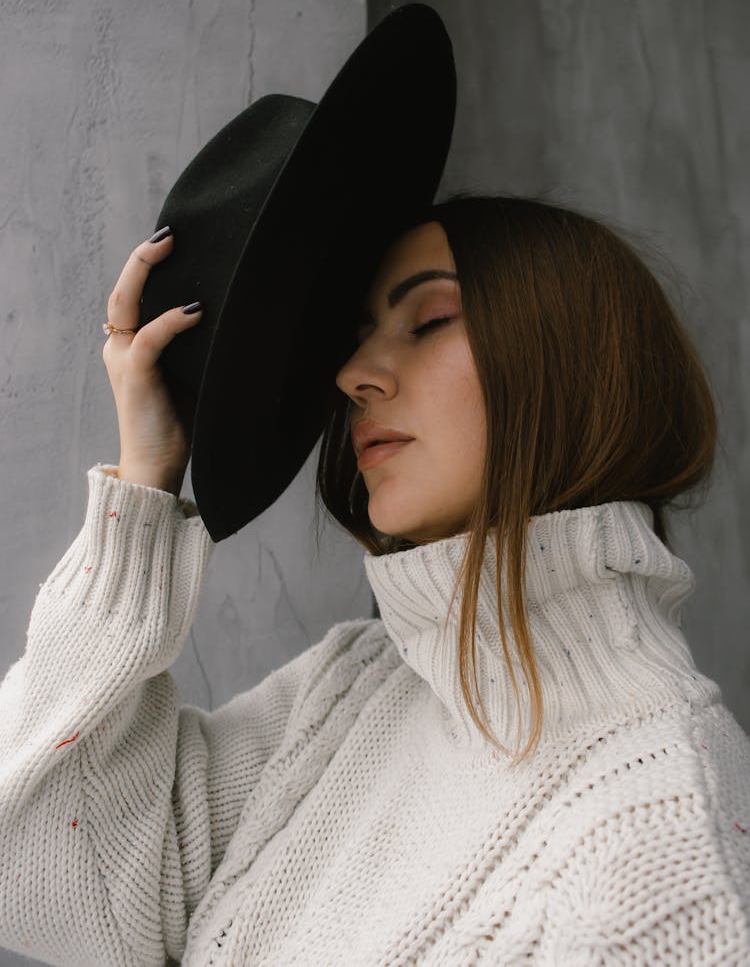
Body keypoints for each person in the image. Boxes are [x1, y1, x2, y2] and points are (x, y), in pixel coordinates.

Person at [0, 192, 748, 966]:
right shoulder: (352, 691)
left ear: (576, 364)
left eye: (427, 322)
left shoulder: (664, 862)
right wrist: (147, 481)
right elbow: (42, 872)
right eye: (358, 338)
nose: (354, 375)